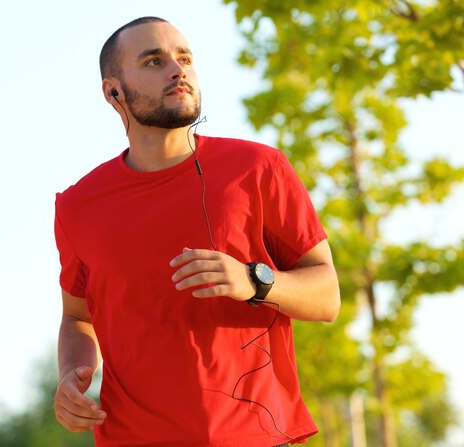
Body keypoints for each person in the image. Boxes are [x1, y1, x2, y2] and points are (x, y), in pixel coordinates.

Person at [53, 16, 340, 447]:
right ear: (114, 92)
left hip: (255, 436)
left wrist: (253, 280)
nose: (177, 69)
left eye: (184, 57)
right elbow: (78, 316)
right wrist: (70, 378)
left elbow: (327, 296)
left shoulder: (259, 169)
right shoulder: (78, 205)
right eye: (154, 61)